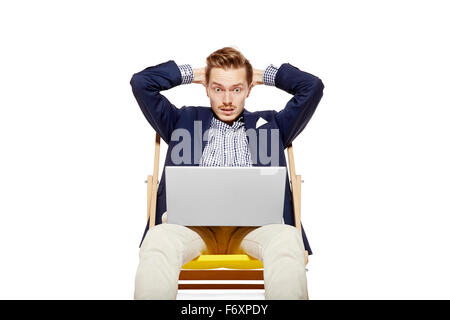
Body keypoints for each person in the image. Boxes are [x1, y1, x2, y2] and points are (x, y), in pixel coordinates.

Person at [130, 47, 324, 299]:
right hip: (191, 228)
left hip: (255, 229)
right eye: (218, 89)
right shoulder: (181, 120)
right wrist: (197, 74)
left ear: (249, 89)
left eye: (237, 89)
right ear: (207, 88)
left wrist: (264, 75)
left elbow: (312, 87)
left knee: (288, 239)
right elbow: (141, 83)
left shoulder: (273, 125)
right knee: (157, 241)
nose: (227, 100)